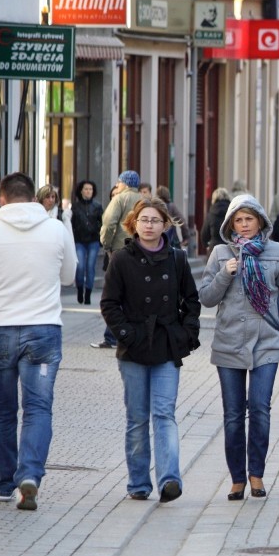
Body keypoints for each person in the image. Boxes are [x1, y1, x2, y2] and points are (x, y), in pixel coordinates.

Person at [199, 194, 279, 501]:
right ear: (230, 224)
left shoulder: (276, 251)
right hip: (229, 344)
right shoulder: (220, 253)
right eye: (238, 220)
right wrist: (225, 273)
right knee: (233, 414)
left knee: (260, 409)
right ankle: (237, 478)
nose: (244, 225)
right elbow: (207, 298)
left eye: (249, 219)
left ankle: (256, 474)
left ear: (260, 221)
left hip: (266, 343)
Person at [0, 172, 77, 510]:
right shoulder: (56, 229)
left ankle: (3, 482)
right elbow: (70, 276)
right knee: (38, 408)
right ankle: (30, 474)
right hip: (43, 328)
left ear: (0, 198)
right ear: (33, 197)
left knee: (1, 409)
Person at [100, 197, 201, 503]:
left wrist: (185, 335)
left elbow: (192, 301)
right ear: (133, 222)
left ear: (165, 225)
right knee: (137, 417)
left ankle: (170, 479)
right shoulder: (121, 259)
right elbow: (109, 304)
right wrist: (126, 334)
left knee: (164, 414)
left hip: (166, 346)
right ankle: (139, 483)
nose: (149, 225)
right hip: (133, 348)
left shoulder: (177, 259)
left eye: (155, 220)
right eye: (144, 220)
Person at [92, 171, 142, 350]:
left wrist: (106, 244)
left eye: (119, 182)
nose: (117, 185)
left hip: (119, 251)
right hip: (141, 251)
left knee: (114, 293)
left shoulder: (119, 199)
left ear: (125, 183)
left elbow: (108, 223)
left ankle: (111, 337)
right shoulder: (143, 200)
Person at [70, 179, 103, 305]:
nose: (88, 191)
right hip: (79, 241)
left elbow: (102, 222)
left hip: (93, 240)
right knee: (80, 266)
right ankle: (79, 289)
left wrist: (100, 236)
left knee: (90, 267)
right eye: (86, 189)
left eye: (90, 189)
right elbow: (71, 224)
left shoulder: (97, 206)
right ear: (81, 191)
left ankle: (88, 293)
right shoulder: (75, 206)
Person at [201, 188, 231, 252]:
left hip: (214, 248)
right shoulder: (232, 212)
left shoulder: (211, 214)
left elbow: (204, 234)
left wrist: (206, 246)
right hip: (230, 248)